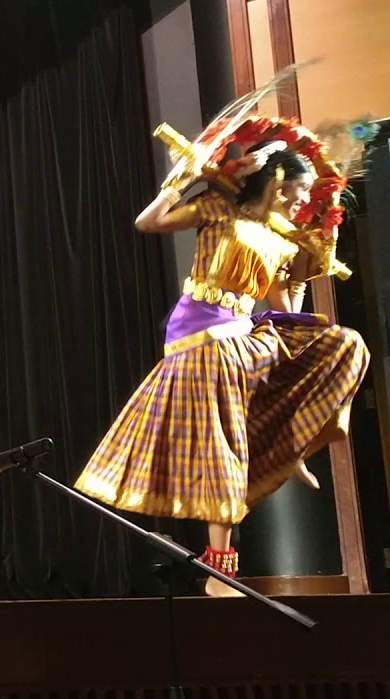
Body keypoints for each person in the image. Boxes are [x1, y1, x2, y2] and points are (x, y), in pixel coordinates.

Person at [74, 117, 371, 597]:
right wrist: (189, 175)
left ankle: (294, 439)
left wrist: (301, 271)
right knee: (224, 447)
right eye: (297, 190)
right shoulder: (216, 208)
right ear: (274, 181)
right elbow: (147, 223)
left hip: (243, 337)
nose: (302, 200)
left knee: (346, 342)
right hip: (202, 339)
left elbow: (284, 313)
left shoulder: (279, 238)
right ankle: (220, 572)